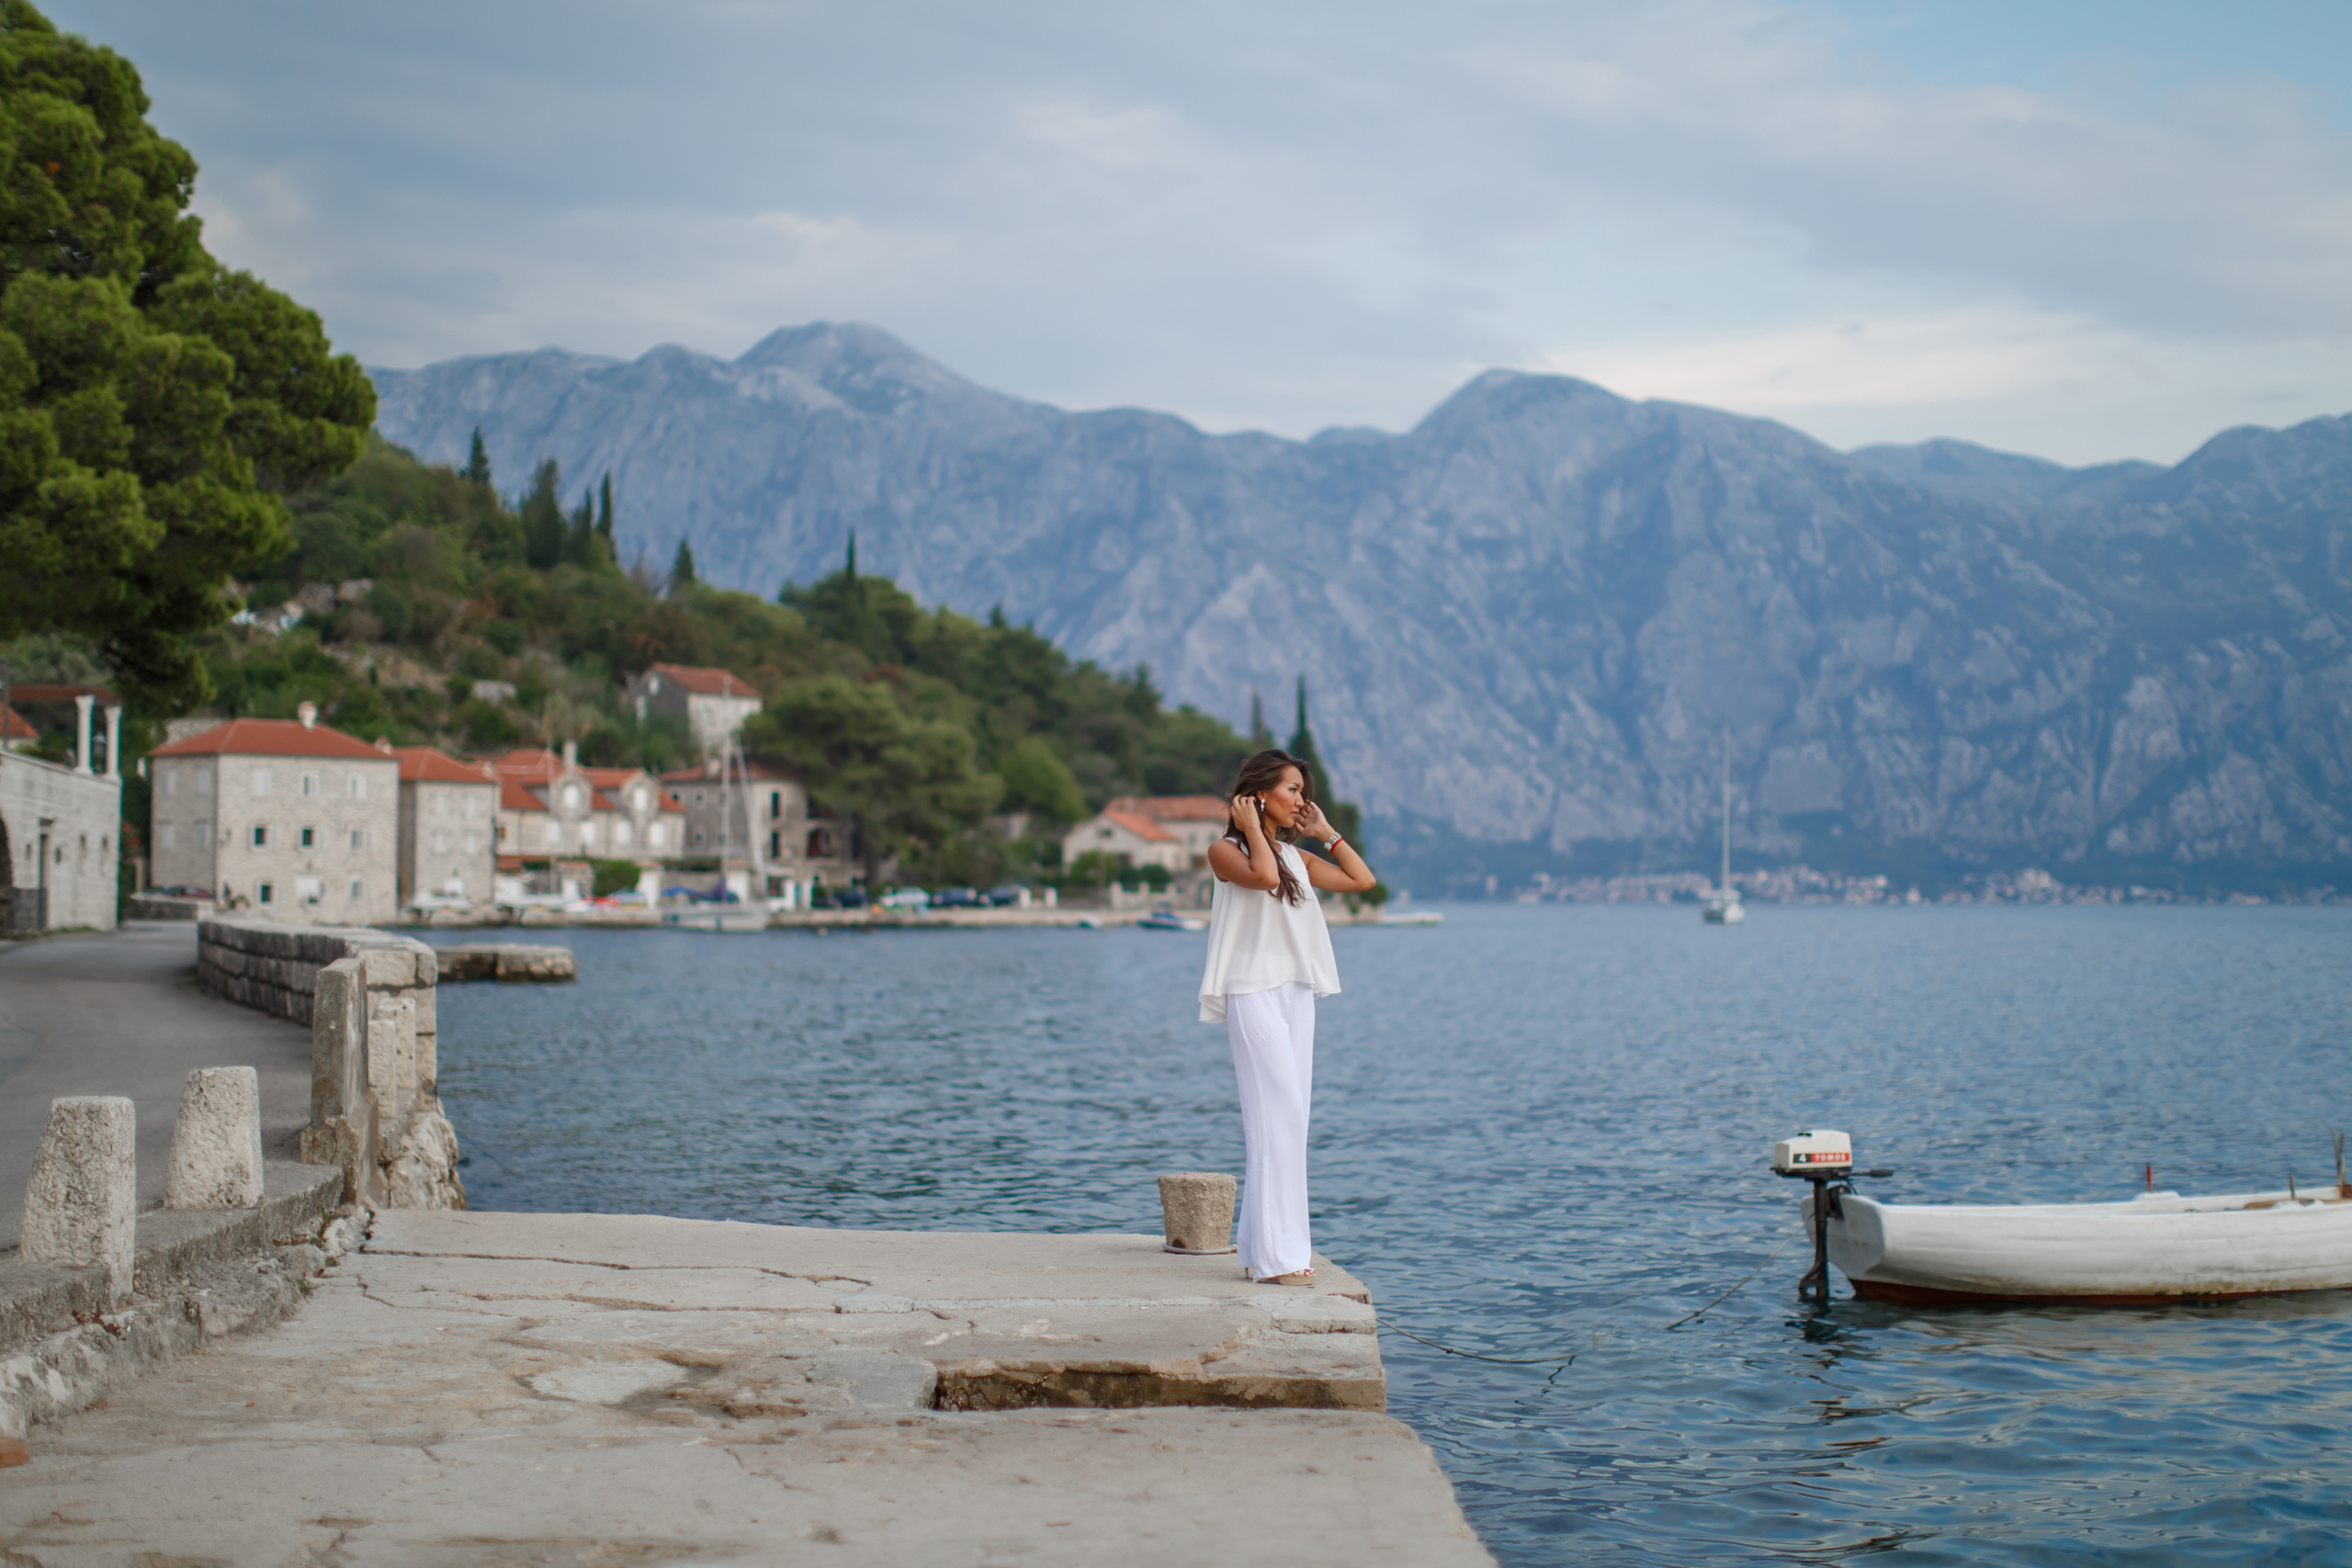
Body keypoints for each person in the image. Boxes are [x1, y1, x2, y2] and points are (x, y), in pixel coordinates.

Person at [1199, 749, 1378, 1286]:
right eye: (1293, 789)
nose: (1302, 799)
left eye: (1303, 791)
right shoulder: (1223, 849)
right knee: (1278, 1111)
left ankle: (1263, 1250)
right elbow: (1261, 878)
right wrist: (1249, 825)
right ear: (1258, 793)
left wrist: (1326, 831)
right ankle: (1280, 1260)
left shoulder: (1296, 858)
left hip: (1297, 994)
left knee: (1290, 1120)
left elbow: (1361, 880)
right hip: (1252, 992)